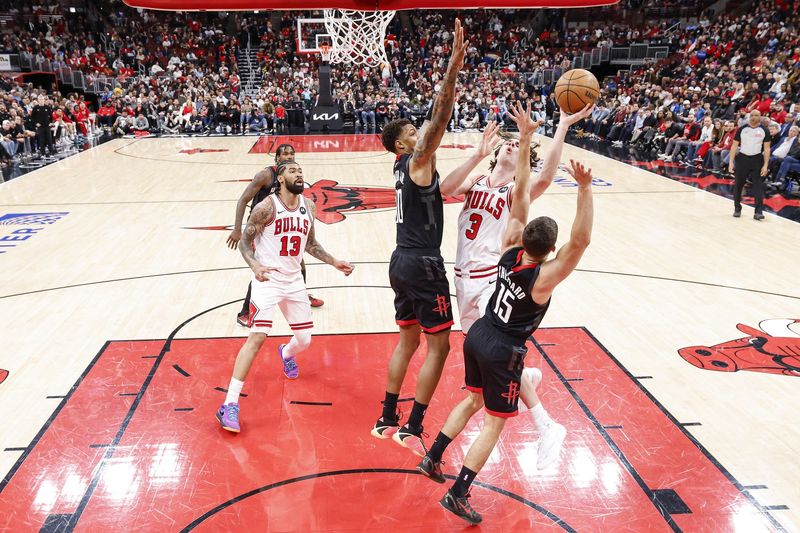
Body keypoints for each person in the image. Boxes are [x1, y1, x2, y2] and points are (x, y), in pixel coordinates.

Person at [416, 104, 595, 525]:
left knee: (487, 380)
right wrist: (481, 152)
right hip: (467, 279)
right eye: (509, 143)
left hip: (490, 277)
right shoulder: (481, 180)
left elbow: (542, 179)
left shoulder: (518, 208)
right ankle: (524, 388)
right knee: (492, 377)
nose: (513, 145)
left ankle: (543, 421)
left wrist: (560, 127)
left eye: (519, 146)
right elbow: (446, 189)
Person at [370, 18, 468, 456]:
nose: (418, 133)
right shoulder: (415, 160)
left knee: (407, 340)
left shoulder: (402, 170)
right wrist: (451, 70)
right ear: (402, 146)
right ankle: (413, 426)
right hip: (425, 263)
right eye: (411, 132)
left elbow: (445, 190)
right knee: (440, 346)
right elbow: (440, 117)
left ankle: (386, 416)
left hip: (400, 261)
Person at [216, 162, 354, 433]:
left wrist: (333, 261)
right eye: (292, 171)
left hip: (294, 282)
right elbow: (245, 242)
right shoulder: (266, 207)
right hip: (267, 281)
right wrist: (255, 265)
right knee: (256, 338)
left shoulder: (308, 207)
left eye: (301, 170)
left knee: (305, 340)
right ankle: (229, 404)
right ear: (279, 179)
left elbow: (311, 244)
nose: (299, 174)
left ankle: (286, 352)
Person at [227, 144, 324, 327]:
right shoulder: (265, 175)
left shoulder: (291, 174)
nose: (289, 156)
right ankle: (245, 312)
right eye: (285, 154)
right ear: (277, 158)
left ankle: (300, 295)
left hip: (279, 221)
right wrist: (237, 228)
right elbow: (243, 199)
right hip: (260, 226)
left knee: (297, 261)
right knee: (264, 267)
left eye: (292, 153)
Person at [728, 109, 771, 220]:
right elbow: (734, 146)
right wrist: (731, 162)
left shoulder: (764, 130)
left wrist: (765, 165)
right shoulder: (742, 129)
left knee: (758, 187)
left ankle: (758, 212)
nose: (753, 117)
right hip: (742, 159)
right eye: (752, 115)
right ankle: (737, 208)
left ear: (760, 117)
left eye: (756, 115)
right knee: (738, 185)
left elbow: (767, 149)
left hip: (757, 160)